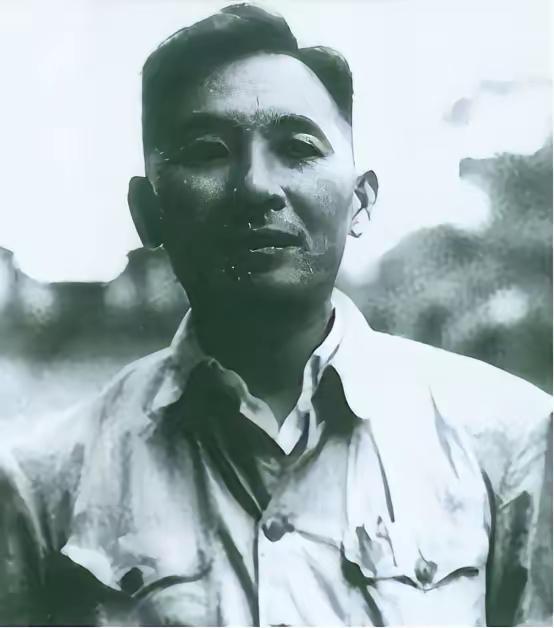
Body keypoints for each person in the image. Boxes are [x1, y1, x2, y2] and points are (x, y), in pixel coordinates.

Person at [0, 4, 551, 626]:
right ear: (148, 211)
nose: (258, 186)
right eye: (208, 150)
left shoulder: (511, 443)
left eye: (298, 147)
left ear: (361, 201)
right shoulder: (42, 484)